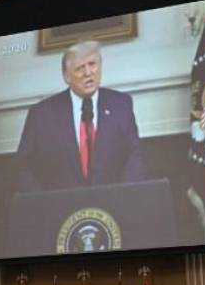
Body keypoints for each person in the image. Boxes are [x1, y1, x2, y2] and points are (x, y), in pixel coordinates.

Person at [16, 40, 147, 192]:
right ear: (66, 76)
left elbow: (135, 155)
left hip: (112, 206)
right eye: (79, 68)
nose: (88, 73)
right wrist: (45, 204)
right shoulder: (42, 114)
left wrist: (125, 194)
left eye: (92, 64)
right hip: (61, 209)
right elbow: (23, 167)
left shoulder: (120, 105)